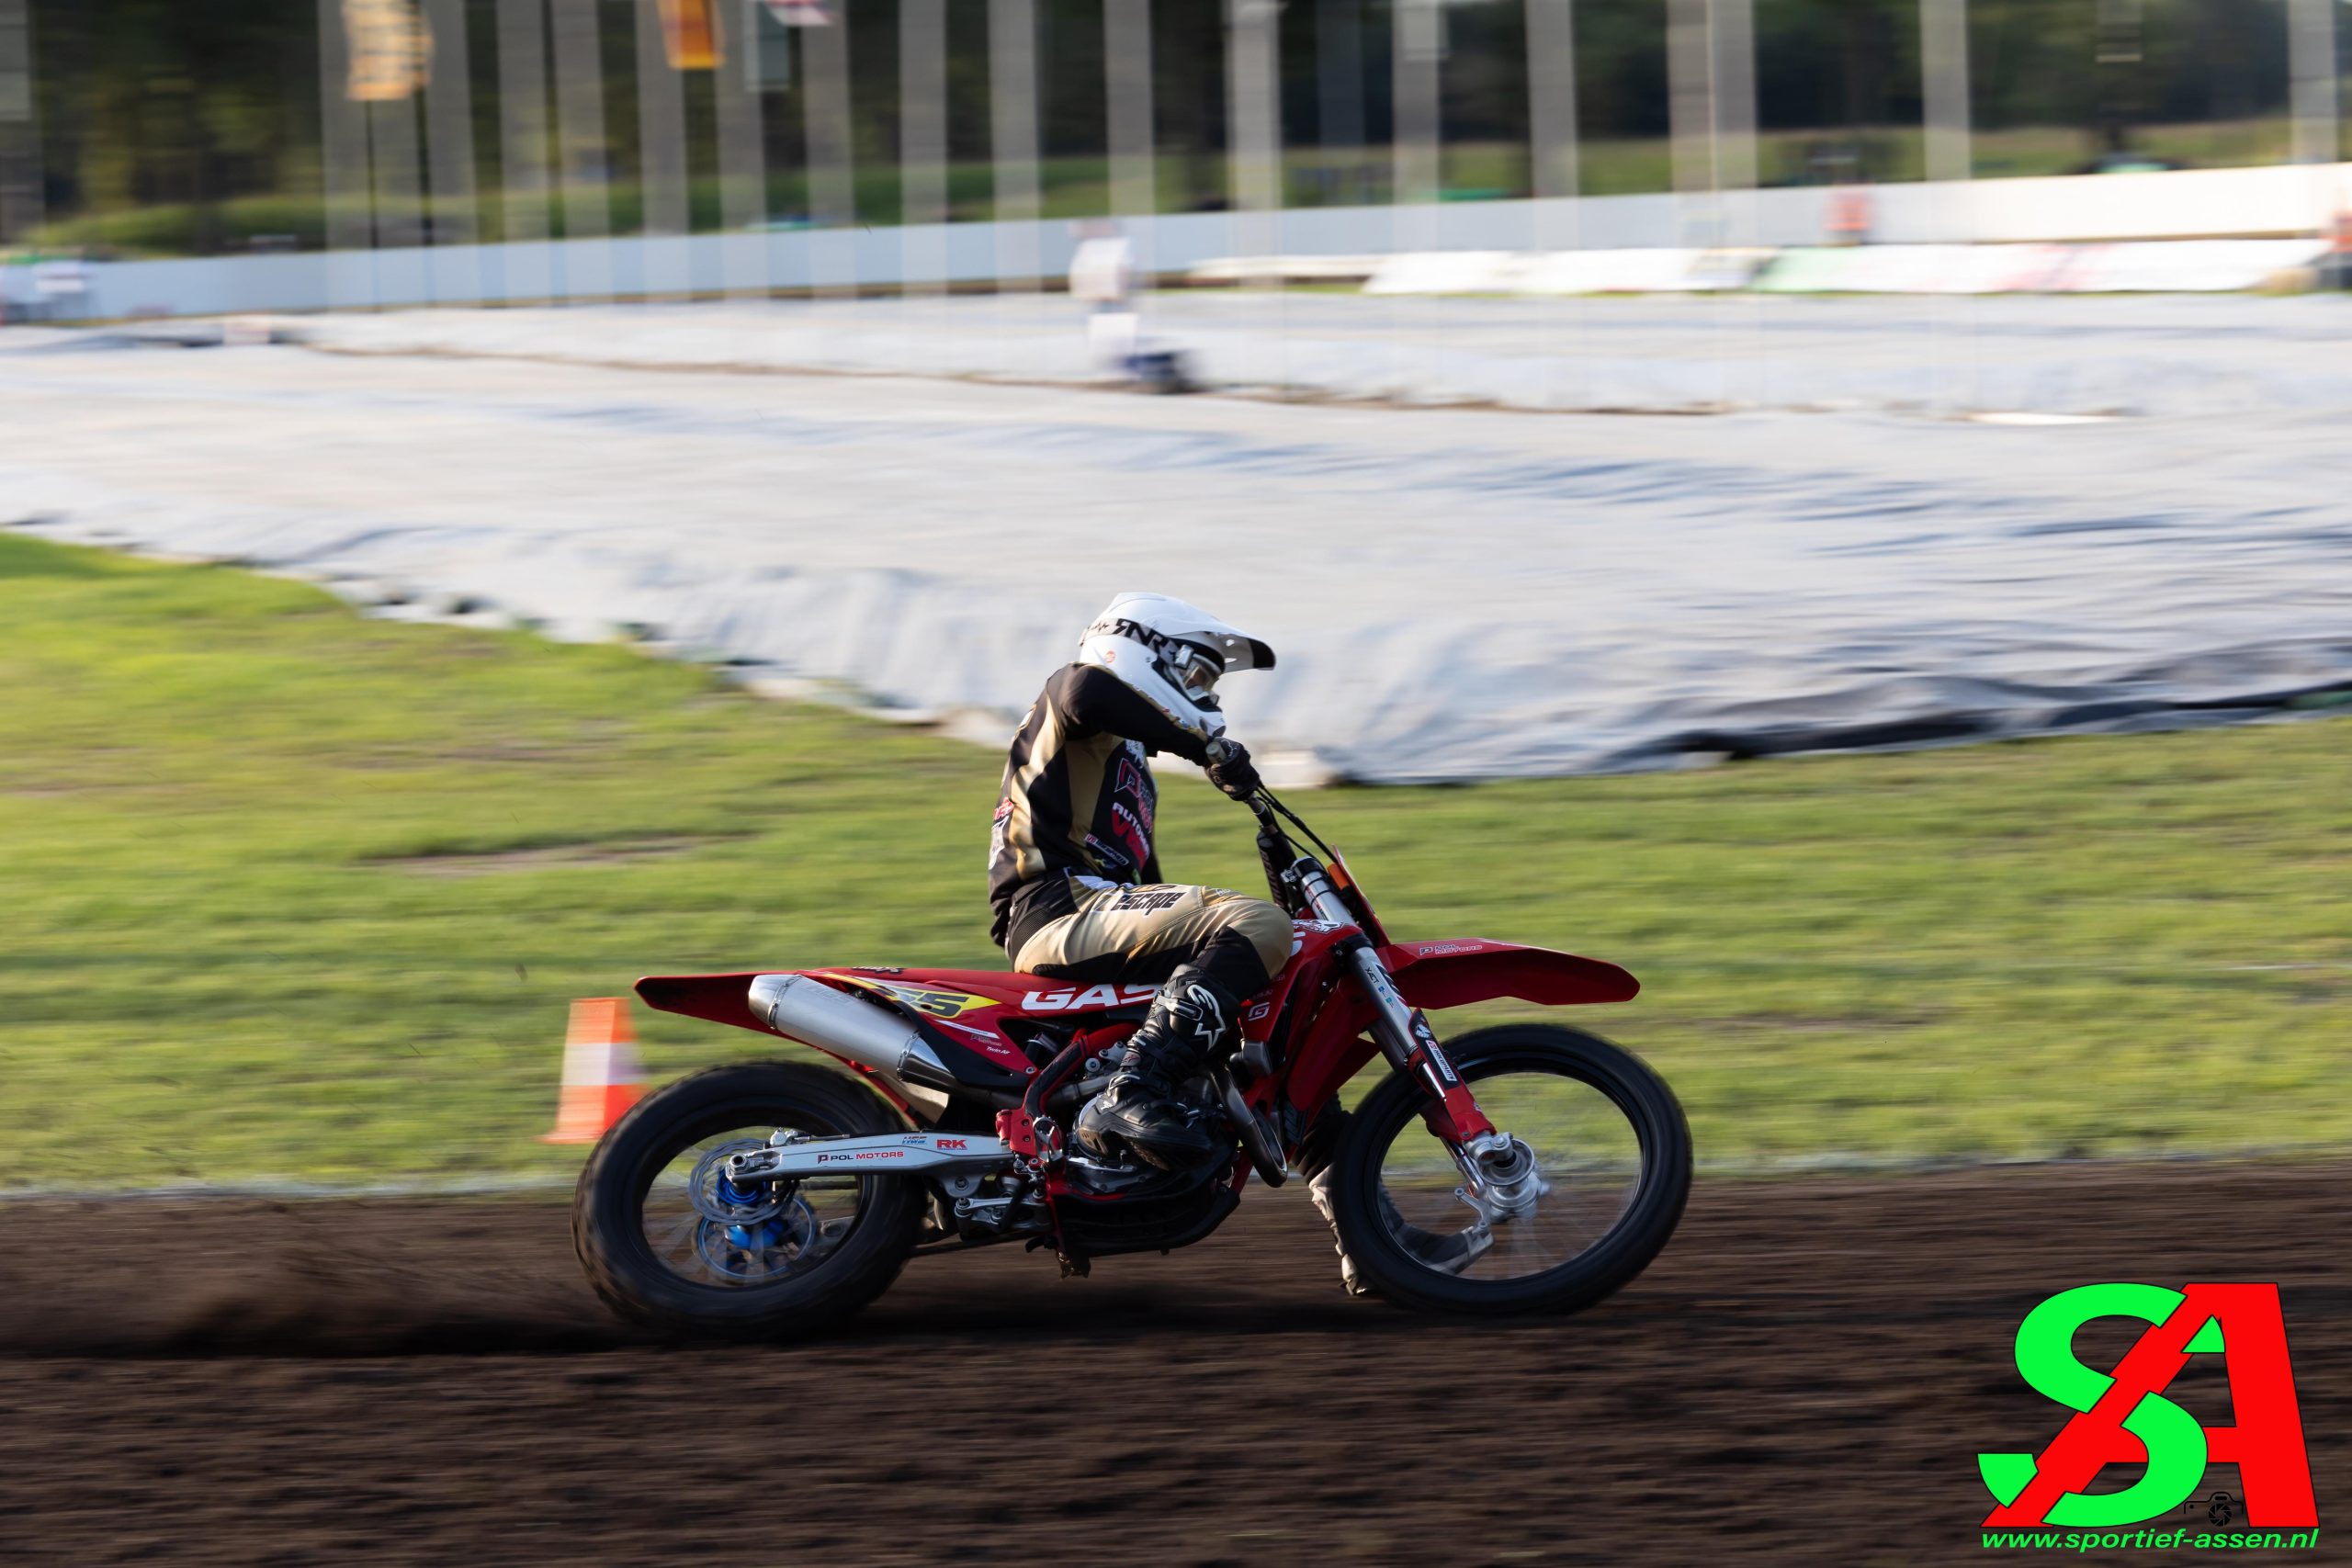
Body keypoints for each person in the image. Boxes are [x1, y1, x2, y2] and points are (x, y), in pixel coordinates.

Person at [988, 593, 1286, 1170]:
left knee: (1256, 972)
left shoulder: (1130, 766)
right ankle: (1132, 1092)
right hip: (1055, 906)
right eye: (1198, 673)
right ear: (1139, 649)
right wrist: (1206, 746)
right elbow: (1087, 693)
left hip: (1095, 910)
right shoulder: (1074, 693)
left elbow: (1155, 891)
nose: (1209, 695)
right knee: (1255, 922)